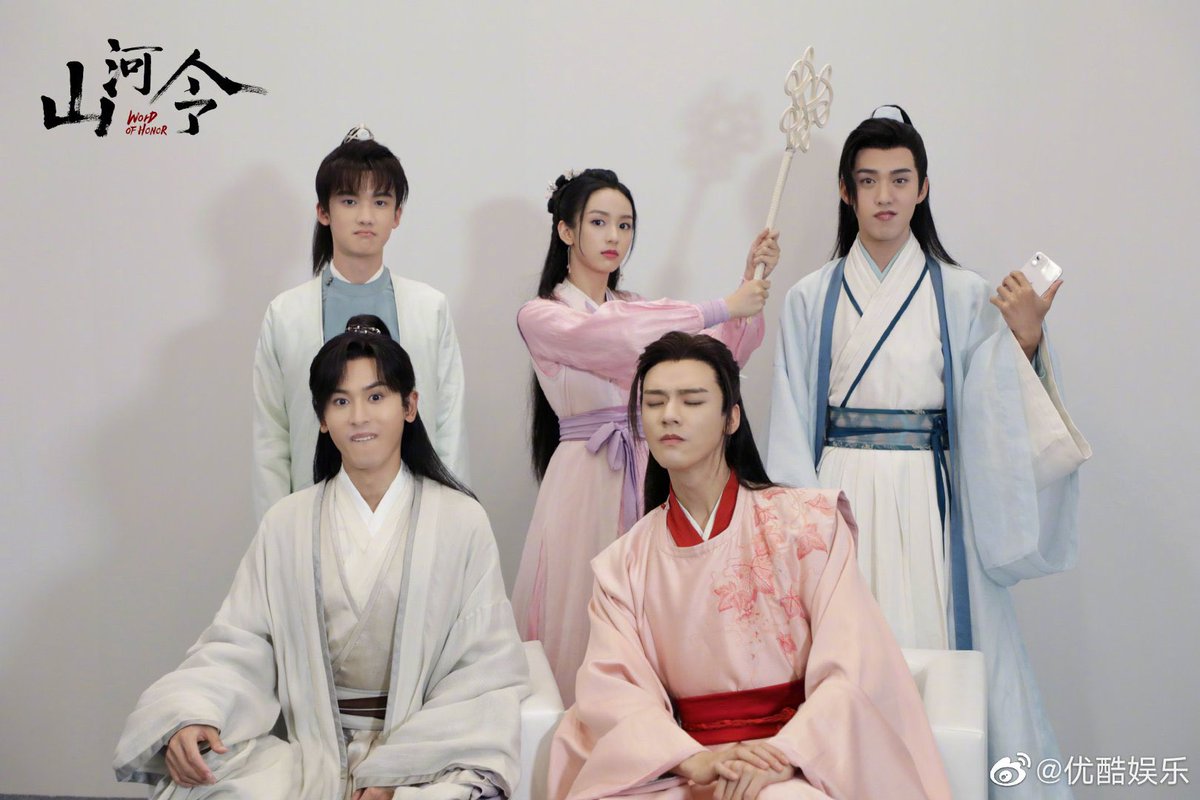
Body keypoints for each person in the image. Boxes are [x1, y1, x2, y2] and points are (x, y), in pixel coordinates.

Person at [767, 106, 1091, 797]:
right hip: (839, 501)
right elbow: (790, 427)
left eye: (900, 179)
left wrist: (1025, 339)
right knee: (844, 663)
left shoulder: (966, 294)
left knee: (938, 660)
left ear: (923, 188)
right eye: (868, 181)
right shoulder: (808, 298)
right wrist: (800, 534)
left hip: (931, 501)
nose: (884, 196)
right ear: (845, 191)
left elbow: (994, 412)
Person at [115, 316, 527, 800]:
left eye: (376, 397)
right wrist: (197, 711)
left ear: (409, 405)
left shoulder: (462, 521)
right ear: (322, 417)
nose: (359, 417)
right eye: (340, 401)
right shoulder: (287, 523)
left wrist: (392, 776)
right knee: (199, 787)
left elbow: (481, 668)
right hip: (310, 753)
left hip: (423, 754)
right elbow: (242, 641)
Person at [549, 332, 950, 800]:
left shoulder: (808, 525)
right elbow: (614, 691)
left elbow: (851, 666)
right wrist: (695, 759)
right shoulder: (624, 564)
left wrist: (783, 755)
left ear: (731, 418)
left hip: (798, 759)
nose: (669, 415)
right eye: (654, 403)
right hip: (683, 764)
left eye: (692, 401)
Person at [509, 168, 779, 704]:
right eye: (599, 223)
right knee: (579, 604)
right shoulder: (542, 315)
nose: (614, 237)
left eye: (625, 225)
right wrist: (724, 305)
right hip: (586, 477)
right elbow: (615, 338)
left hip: (648, 468)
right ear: (566, 230)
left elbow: (713, 355)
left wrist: (748, 285)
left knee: (654, 606)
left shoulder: (636, 306)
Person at [252, 127, 468, 522]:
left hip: (414, 512)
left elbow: (448, 426)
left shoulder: (429, 308)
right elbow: (272, 437)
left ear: (397, 215)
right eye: (349, 201)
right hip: (315, 514)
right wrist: (277, 531)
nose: (366, 216)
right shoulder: (286, 314)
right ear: (323, 212)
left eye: (380, 201)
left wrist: (450, 520)